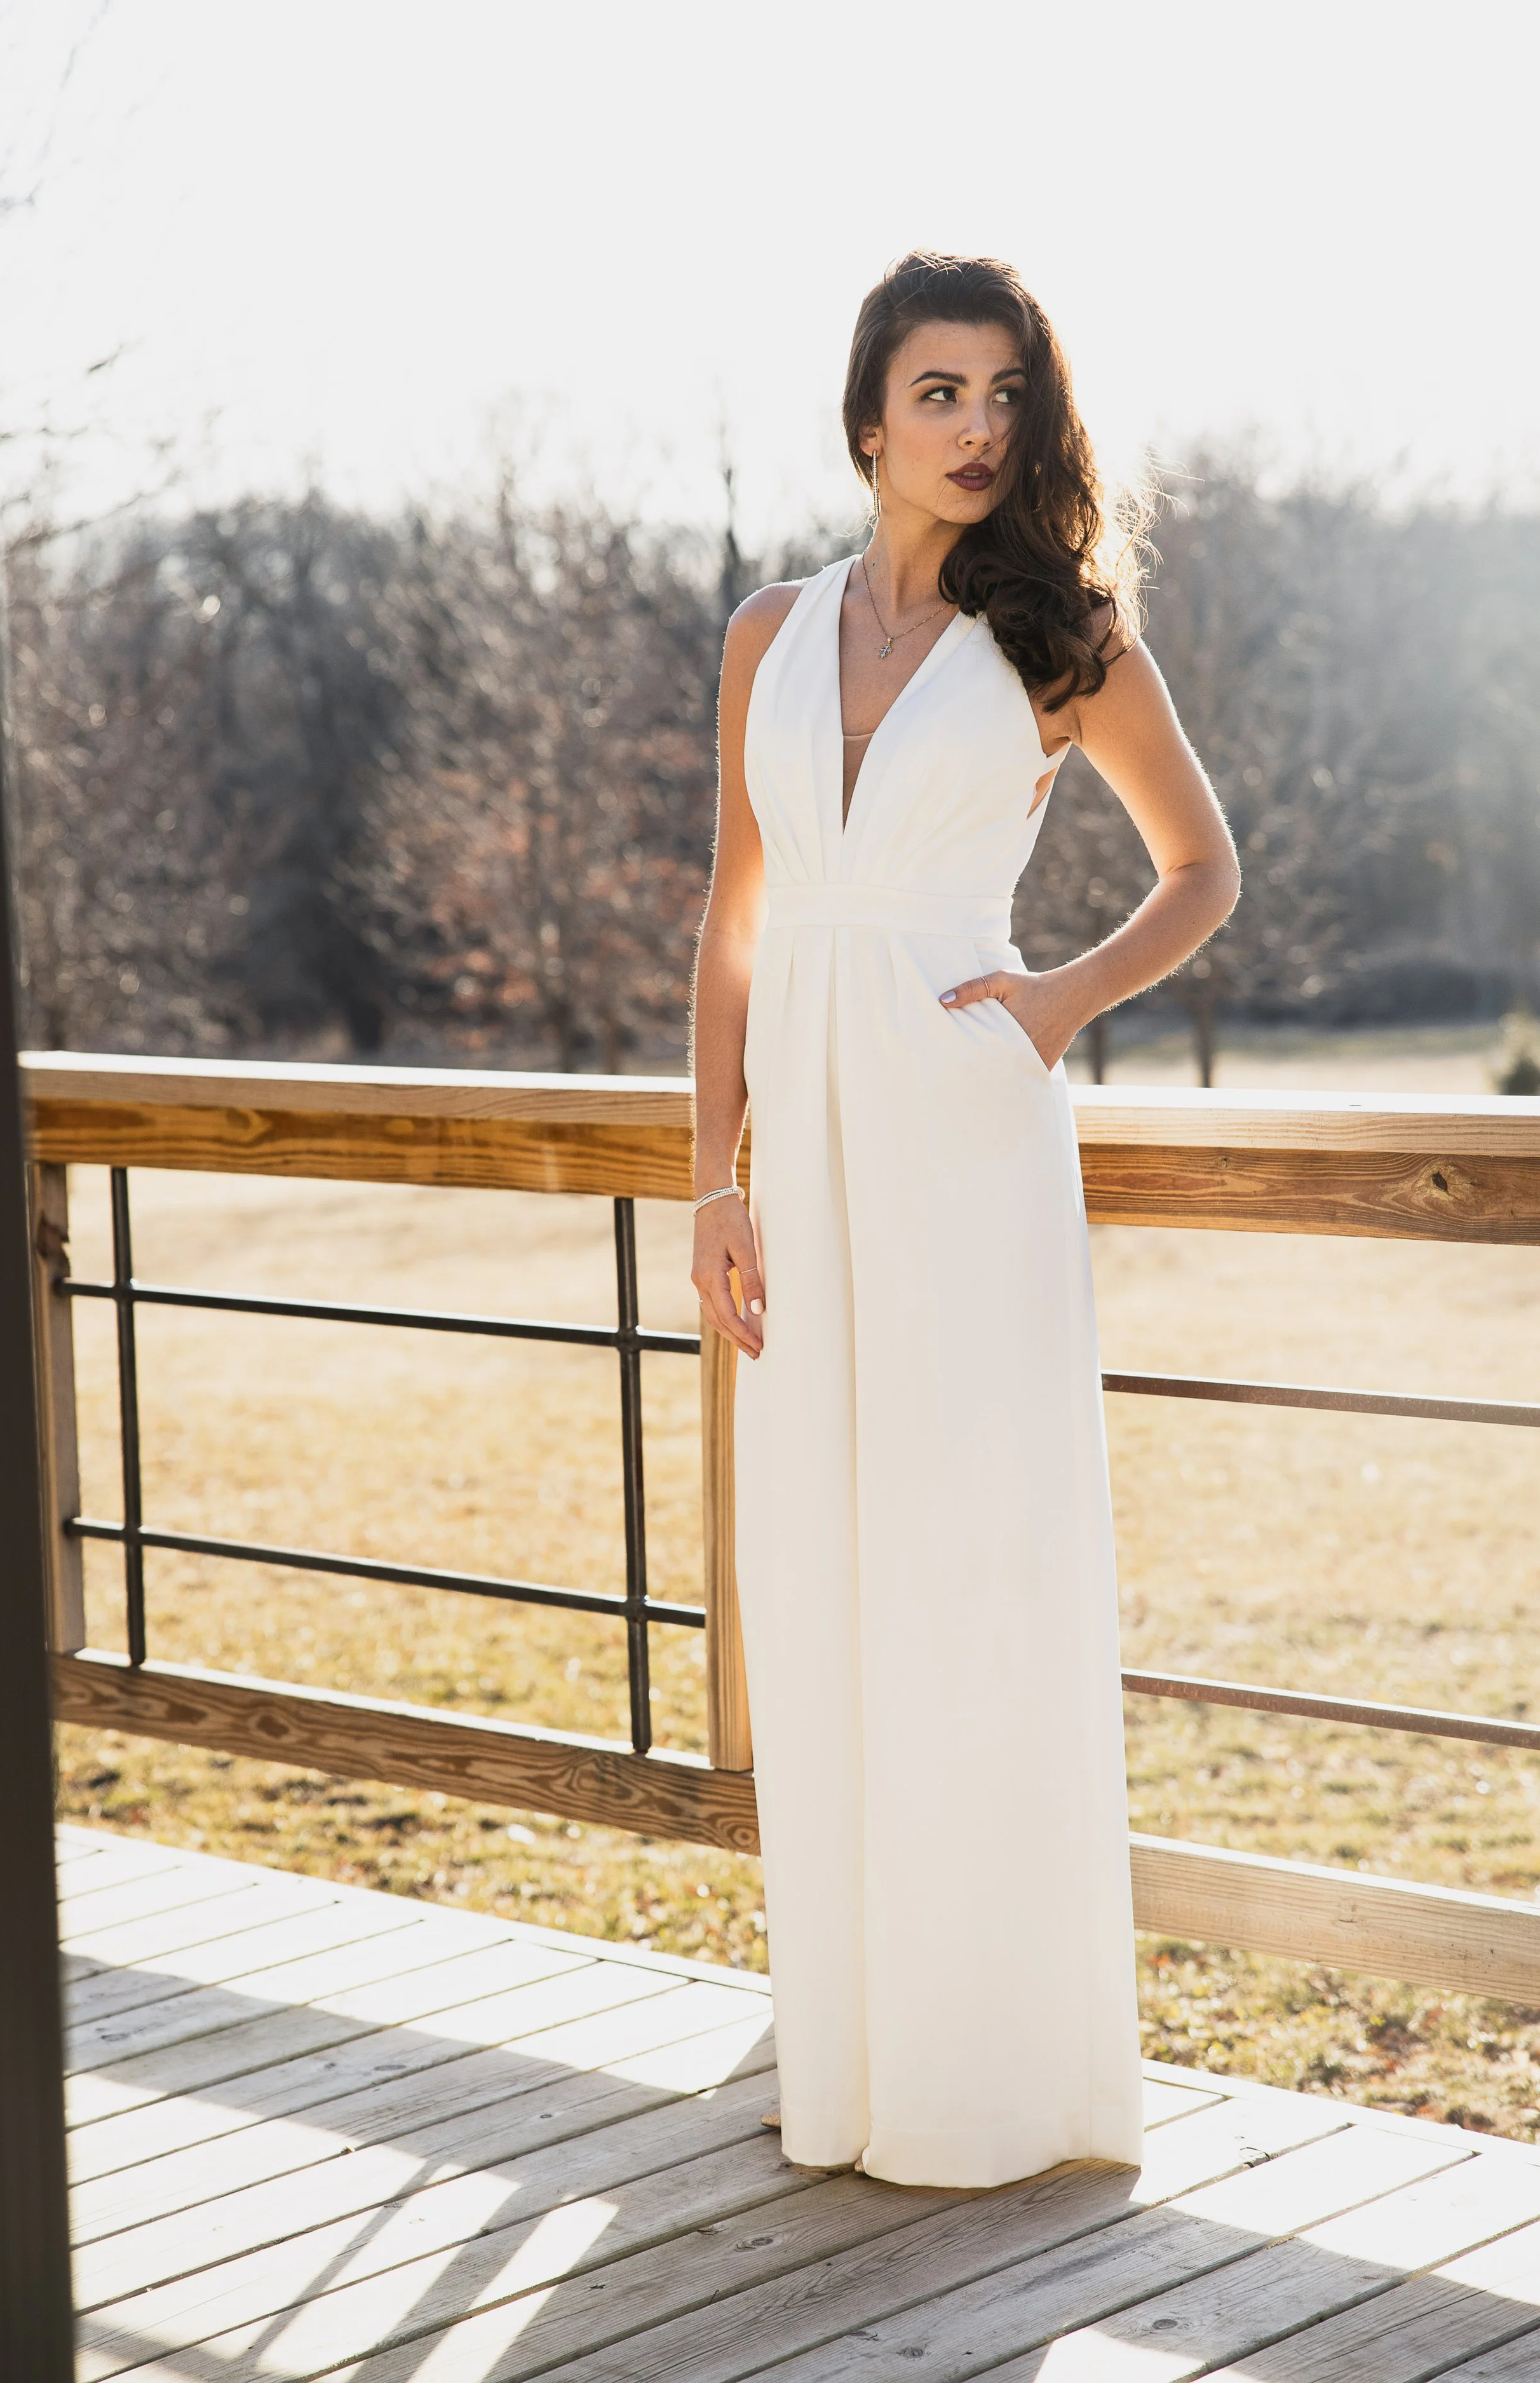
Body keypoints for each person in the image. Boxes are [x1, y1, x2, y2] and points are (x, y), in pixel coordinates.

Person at [689, 251, 1239, 2190]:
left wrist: (1054, 1002)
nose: (976, 427)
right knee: (825, 1565)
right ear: (865, 417)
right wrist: (714, 1172)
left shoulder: (1062, 634)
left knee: (964, 1571)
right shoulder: (768, 632)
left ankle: (992, 2074)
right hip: (803, 1163)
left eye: (1004, 395)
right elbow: (736, 930)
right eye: (938, 392)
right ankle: (846, 2058)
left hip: (961, 1132)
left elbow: (1200, 868)